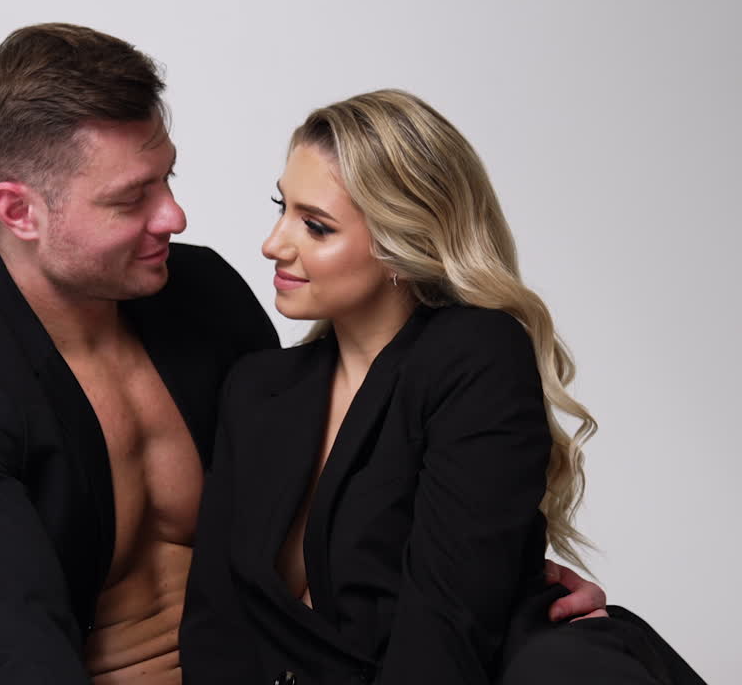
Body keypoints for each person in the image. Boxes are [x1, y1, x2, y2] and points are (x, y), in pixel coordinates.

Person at [0, 25, 606, 685]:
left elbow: (334, 491)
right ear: (19, 211)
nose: (175, 216)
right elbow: (6, 650)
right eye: (131, 199)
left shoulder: (201, 296)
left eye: (169, 178)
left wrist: (498, 573)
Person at [180, 90, 706, 685]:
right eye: (282, 207)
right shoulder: (259, 388)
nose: (273, 243)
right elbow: (216, 626)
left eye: (316, 226)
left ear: (401, 242)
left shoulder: (475, 357)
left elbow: (443, 634)